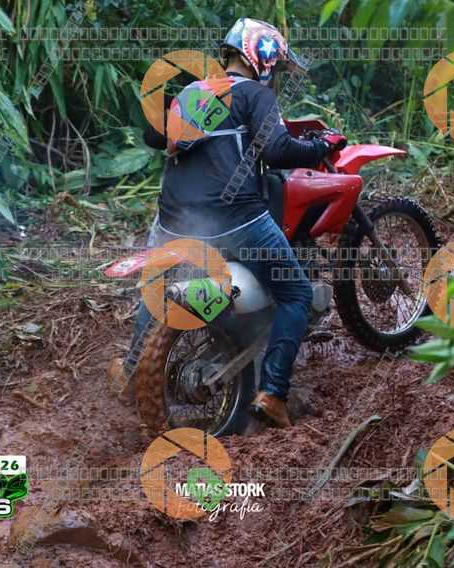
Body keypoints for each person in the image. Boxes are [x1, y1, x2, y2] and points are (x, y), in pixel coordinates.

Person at [115, 17, 346, 428]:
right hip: (234, 218)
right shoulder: (255, 94)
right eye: (277, 65)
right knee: (295, 293)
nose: (277, 75)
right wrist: (320, 146)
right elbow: (276, 150)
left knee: (157, 287)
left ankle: (133, 372)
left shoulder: (192, 92)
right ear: (264, 58)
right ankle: (273, 394)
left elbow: (155, 137)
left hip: (174, 222)